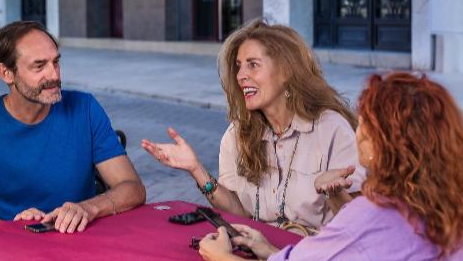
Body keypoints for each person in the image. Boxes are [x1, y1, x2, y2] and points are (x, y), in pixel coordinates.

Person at [196, 72, 463, 261]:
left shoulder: (373, 217)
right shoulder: (454, 207)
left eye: (366, 125)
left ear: (390, 142)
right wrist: (271, 251)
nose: (358, 134)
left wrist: (221, 259)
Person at [142, 19, 361, 235]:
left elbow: (359, 226)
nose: (241, 76)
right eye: (239, 66)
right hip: (258, 252)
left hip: (314, 258)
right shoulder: (237, 134)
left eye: (253, 65)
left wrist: (334, 192)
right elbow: (238, 214)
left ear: (286, 71)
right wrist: (196, 170)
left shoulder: (331, 128)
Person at [0, 21, 146, 233]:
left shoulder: (85, 109)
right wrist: (11, 228)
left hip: (77, 243)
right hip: (7, 250)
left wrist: (88, 208)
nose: (53, 75)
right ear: (6, 72)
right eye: (39, 66)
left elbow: (133, 188)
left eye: (56, 62)